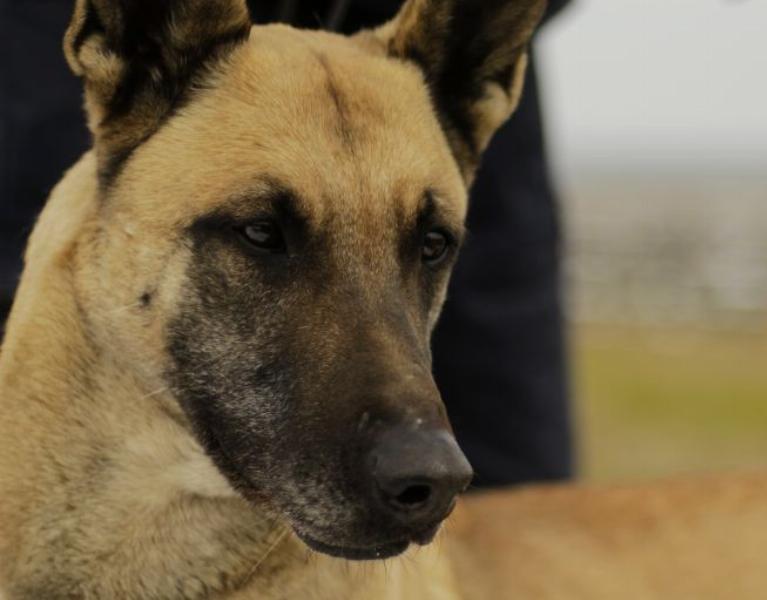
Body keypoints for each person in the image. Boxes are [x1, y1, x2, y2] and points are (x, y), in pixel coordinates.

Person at [0, 0, 573, 489]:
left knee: (512, 499)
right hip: (63, 79)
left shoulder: (436, 113)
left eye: (430, 247)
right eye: (263, 234)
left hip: (400, 93)